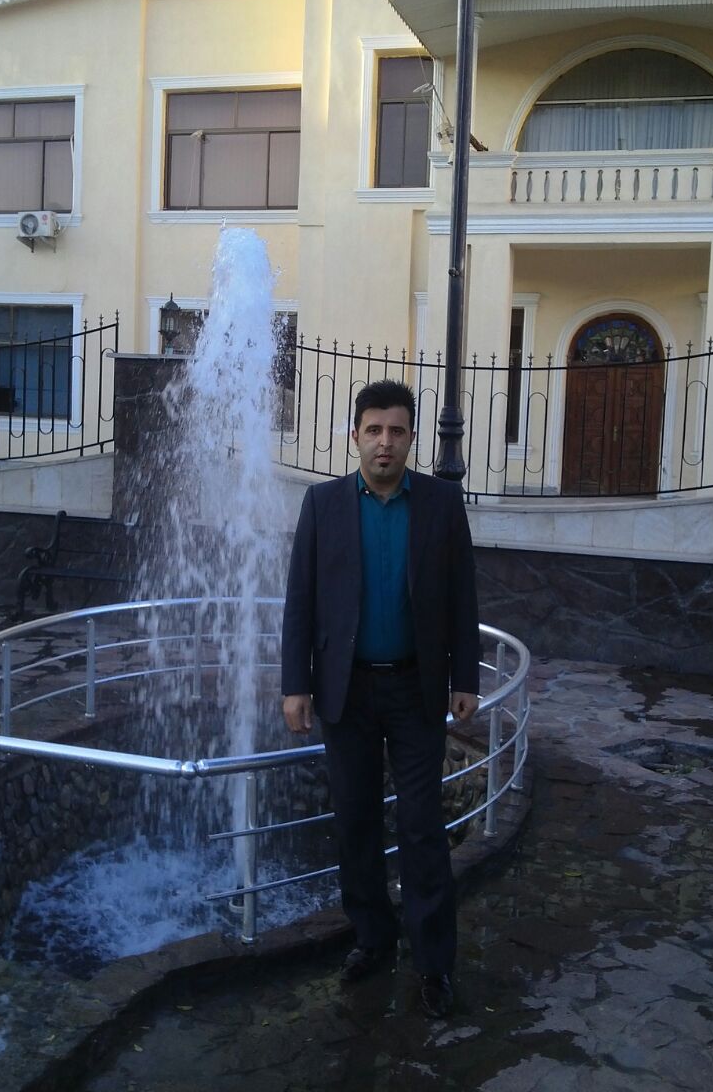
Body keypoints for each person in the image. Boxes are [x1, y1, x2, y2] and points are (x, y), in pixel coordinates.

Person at [281, 378, 480, 1019]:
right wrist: (295, 684)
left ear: (412, 438)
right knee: (355, 821)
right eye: (373, 430)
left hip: (418, 689)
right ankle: (372, 937)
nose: (384, 442)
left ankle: (434, 963)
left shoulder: (442, 504)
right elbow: (301, 599)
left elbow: (462, 594)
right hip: (348, 690)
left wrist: (465, 677)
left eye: (396, 430)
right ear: (355, 436)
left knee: (422, 827)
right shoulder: (324, 504)